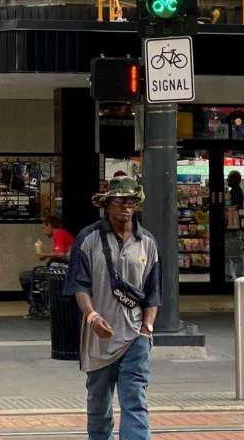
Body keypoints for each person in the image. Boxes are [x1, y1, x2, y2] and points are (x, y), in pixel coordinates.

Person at [64, 174, 159, 440]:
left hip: (135, 337)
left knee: (135, 400)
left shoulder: (147, 242)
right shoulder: (88, 238)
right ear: (108, 204)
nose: (125, 206)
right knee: (98, 404)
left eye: (130, 200)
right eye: (119, 200)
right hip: (98, 339)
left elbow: (153, 293)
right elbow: (79, 286)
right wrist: (92, 316)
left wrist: (147, 328)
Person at [19, 216, 75, 314]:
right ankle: (39, 304)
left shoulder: (59, 233)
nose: (43, 230)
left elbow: (60, 254)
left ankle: (38, 305)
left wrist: (43, 254)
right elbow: (44, 256)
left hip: (62, 271)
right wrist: (41, 252)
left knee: (25, 276)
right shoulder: (62, 234)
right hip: (63, 269)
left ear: (49, 225)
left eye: (43, 227)